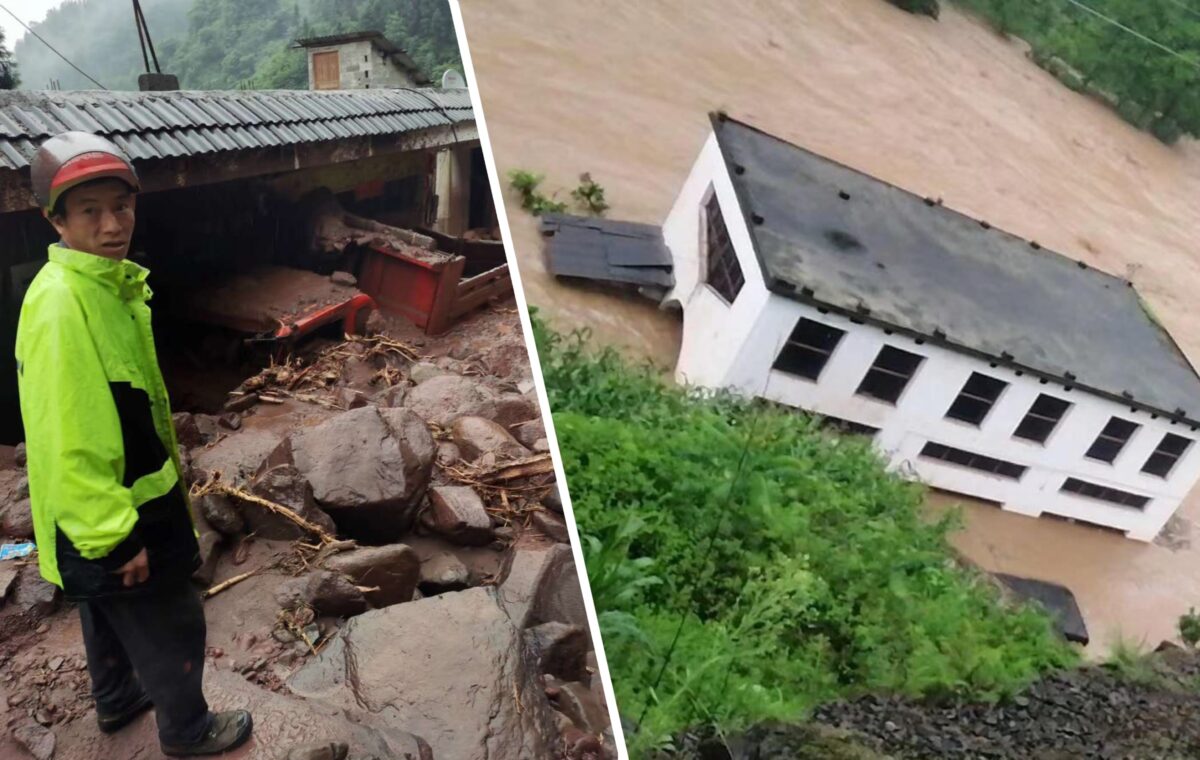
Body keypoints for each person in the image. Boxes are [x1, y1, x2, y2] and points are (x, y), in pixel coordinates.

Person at [16, 131, 253, 756]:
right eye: (90, 210)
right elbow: (72, 435)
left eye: (121, 206)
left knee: (105, 610)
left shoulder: (105, 287)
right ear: (55, 219)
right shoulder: (66, 304)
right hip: (114, 509)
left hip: (112, 500)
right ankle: (188, 731)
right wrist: (114, 536)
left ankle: (118, 700)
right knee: (171, 619)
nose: (112, 223)